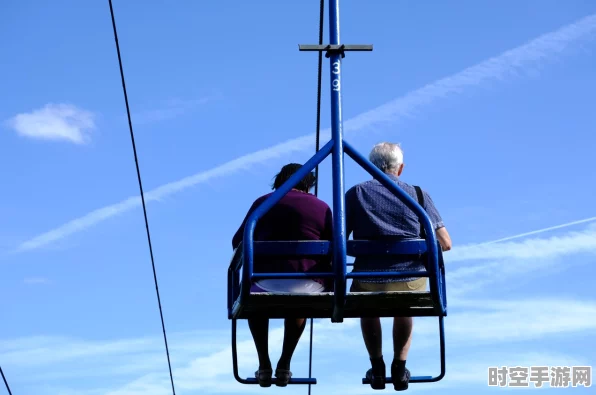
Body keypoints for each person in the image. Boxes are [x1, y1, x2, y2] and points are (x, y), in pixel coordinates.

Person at [345, 142, 452, 391]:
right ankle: (399, 366)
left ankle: (377, 365)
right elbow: (445, 242)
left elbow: (338, 239)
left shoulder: (355, 193)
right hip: (410, 277)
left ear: (370, 167)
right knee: (404, 305)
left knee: (367, 307)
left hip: (368, 278)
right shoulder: (418, 194)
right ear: (400, 168)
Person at [232, 163, 333, 387]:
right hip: (309, 284)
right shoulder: (322, 207)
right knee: (299, 302)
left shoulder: (262, 204)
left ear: (279, 181)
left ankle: (264, 363)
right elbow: (336, 246)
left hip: (266, 281)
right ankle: (285, 363)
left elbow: (237, 242)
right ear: (309, 184)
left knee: (255, 301)